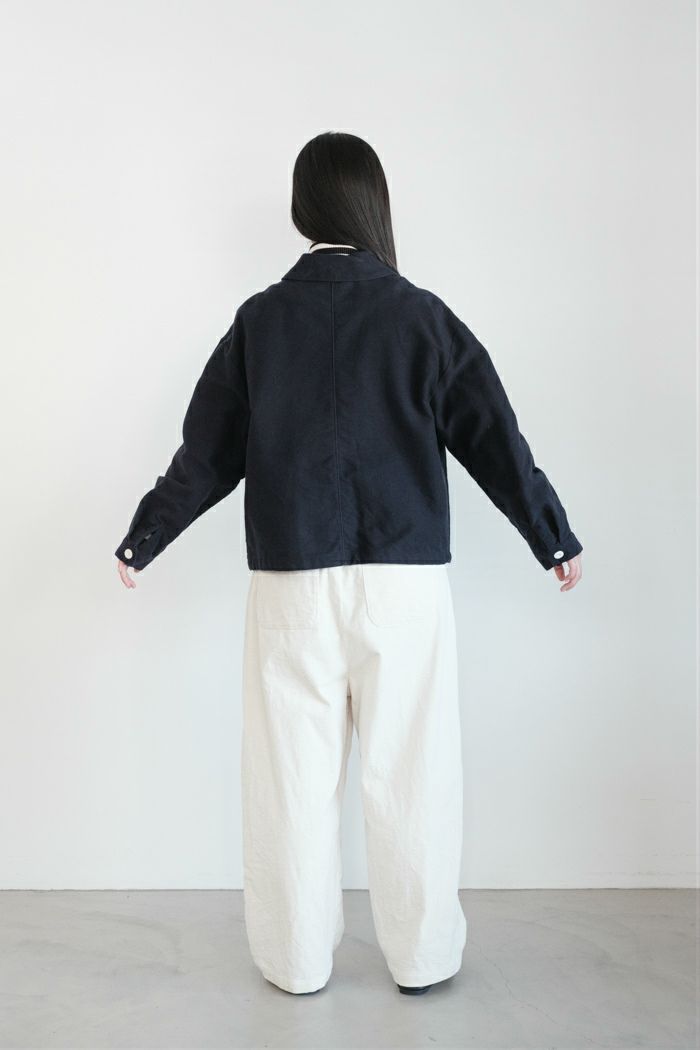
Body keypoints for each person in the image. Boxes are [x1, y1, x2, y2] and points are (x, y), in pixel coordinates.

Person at [115, 131, 583, 997]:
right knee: (414, 771)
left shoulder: (261, 322)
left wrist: (144, 538)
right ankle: (423, 957)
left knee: (289, 778)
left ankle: (295, 962)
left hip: (291, 582)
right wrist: (549, 534)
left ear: (302, 209)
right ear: (374, 204)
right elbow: (493, 435)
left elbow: (207, 452)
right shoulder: (421, 316)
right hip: (405, 583)